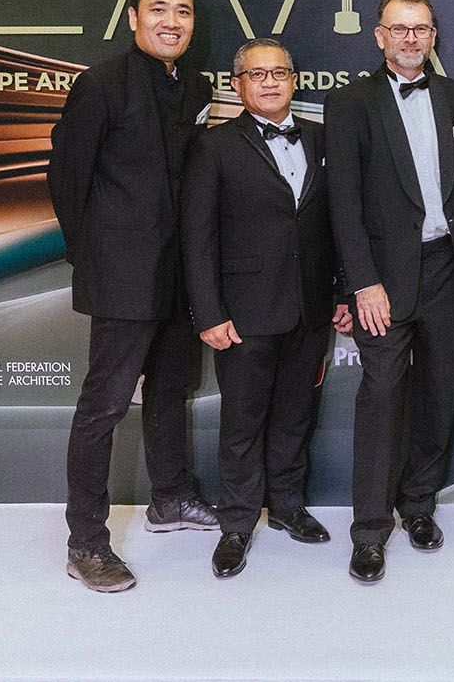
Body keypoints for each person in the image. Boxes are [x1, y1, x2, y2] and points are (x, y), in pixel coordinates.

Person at [47, 0, 218, 593]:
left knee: (172, 390)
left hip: (182, 275)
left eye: (184, 12)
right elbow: (67, 180)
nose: (172, 21)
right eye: (159, 10)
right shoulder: (99, 85)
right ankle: (85, 542)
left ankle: (170, 498)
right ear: (134, 17)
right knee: (105, 406)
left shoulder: (194, 86)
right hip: (122, 276)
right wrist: (92, 260)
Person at [324, 0, 454, 584]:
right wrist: (359, 284)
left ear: (433, 36)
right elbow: (342, 202)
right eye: (399, 29)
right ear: (379, 36)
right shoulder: (350, 103)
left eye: (421, 28)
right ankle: (370, 530)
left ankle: (419, 507)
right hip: (384, 280)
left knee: (440, 395)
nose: (411, 38)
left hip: (450, 268)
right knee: (382, 397)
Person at [180, 38, 337, 578]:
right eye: (257, 74)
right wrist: (208, 312)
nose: (270, 82)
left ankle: (289, 508)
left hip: (310, 308)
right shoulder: (214, 147)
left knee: (296, 416)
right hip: (243, 312)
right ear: (238, 84)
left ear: (295, 80)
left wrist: (339, 295)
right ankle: (238, 523)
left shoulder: (321, 138)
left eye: (280, 73)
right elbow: (197, 237)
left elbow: (337, 226)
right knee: (243, 423)